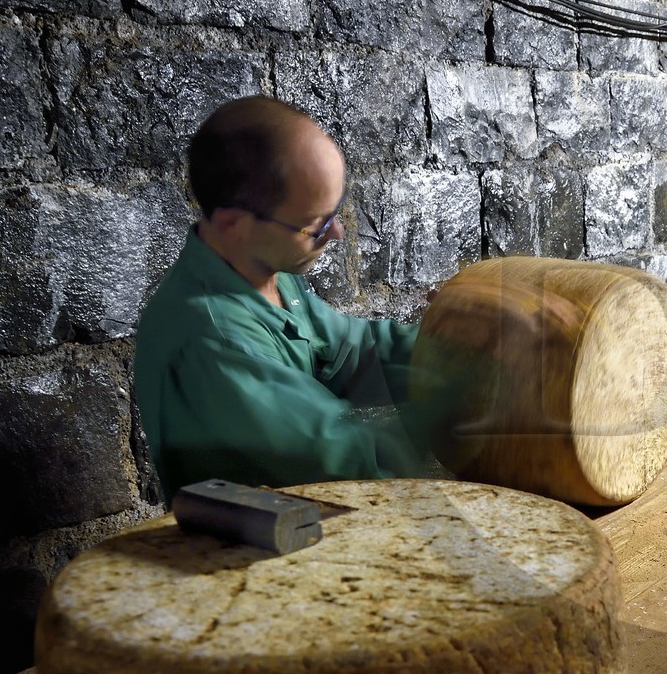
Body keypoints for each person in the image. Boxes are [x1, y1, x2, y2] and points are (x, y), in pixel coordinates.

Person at [134, 96, 444, 501]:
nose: (337, 235)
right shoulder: (213, 337)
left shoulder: (267, 274)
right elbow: (356, 461)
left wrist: (455, 339)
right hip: (258, 554)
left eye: (335, 214)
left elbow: (356, 352)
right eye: (316, 226)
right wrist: (466, 392)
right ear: (235, 224)